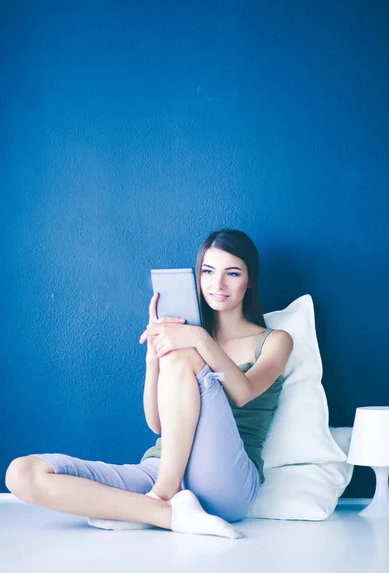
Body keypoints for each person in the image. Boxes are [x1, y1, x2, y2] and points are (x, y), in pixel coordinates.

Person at [5, 229, 293, 539]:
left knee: (184, 356)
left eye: (232, 273)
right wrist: (155, 354)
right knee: (22, 474)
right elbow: (157, 424)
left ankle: (162, 497)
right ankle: (164, 513)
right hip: (162, 465)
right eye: (207, 272)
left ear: (248, 280)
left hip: (226, 482)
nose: (217, 285)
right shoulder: (182, 340)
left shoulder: (275, 341)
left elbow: (244, 393)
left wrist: (198, 340)